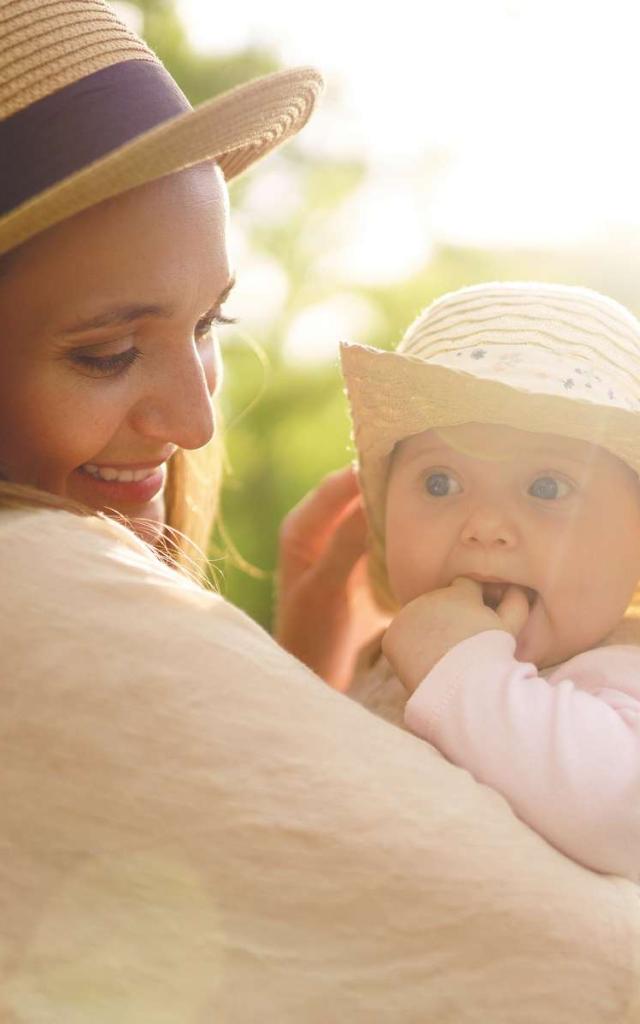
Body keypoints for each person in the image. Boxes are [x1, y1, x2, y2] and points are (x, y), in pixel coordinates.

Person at [1, 3, 639, 1020]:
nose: (200, 422)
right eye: (106, 353)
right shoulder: (33, 593)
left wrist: (297, 672)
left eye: (212, 322)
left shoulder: (608, 676)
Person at [341, 281, 640, 882]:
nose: (484, 527)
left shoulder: (621, 673)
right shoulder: (384, 662)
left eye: (548, 487)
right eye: (439, 483)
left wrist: (466, 671)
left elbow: (619, 814)